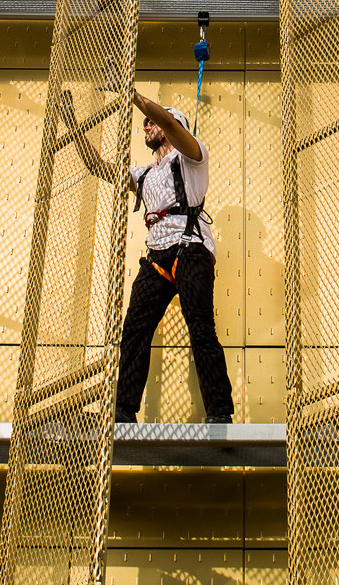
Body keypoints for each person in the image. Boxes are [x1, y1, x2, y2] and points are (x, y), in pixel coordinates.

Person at [58, 87, 234, 425]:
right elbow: (97, 166)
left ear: (173, 127)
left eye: (151, 121)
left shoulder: (193, 158)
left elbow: (167, 121)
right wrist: (73, 125)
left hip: (191, 249)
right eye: (145, 122)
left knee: (200, 325)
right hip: (158, 255)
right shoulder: (146, 174)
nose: (146, 126)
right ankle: (123, 411)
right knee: (135, 328)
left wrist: (133, 95)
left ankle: (219, 411)